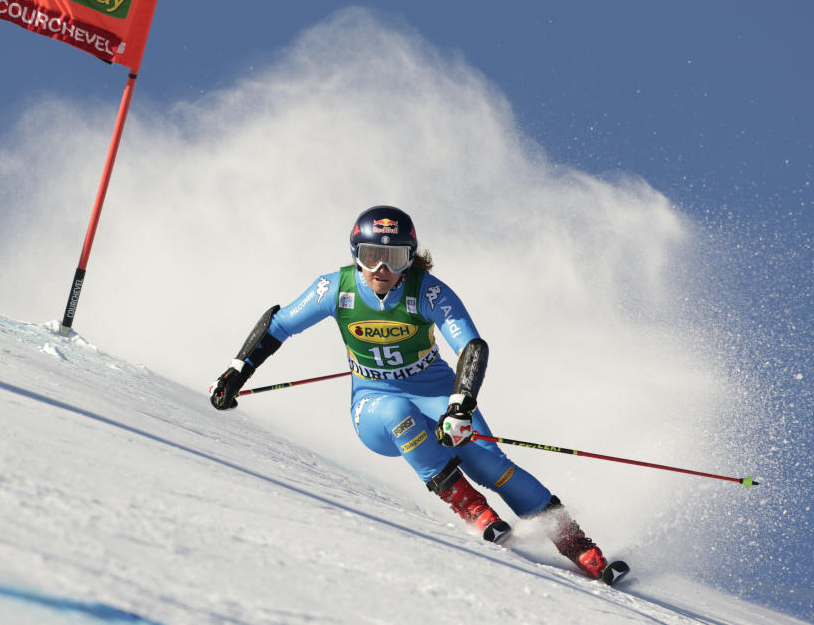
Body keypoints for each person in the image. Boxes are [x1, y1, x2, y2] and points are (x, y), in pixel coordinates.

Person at [209, 205, 623, 583]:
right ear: (356, 254)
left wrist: (460, 404)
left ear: (411, 257)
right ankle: (471, 508)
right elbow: (279, 325)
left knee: (487, 461)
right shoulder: (336, 288)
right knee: (395, 410)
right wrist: (236, 371)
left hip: (438, 390)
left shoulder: (427, 291)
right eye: (372, 256)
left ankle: (579, 546)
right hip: (373, 403)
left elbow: (471, 347)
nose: (382, 268)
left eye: (396, 257)